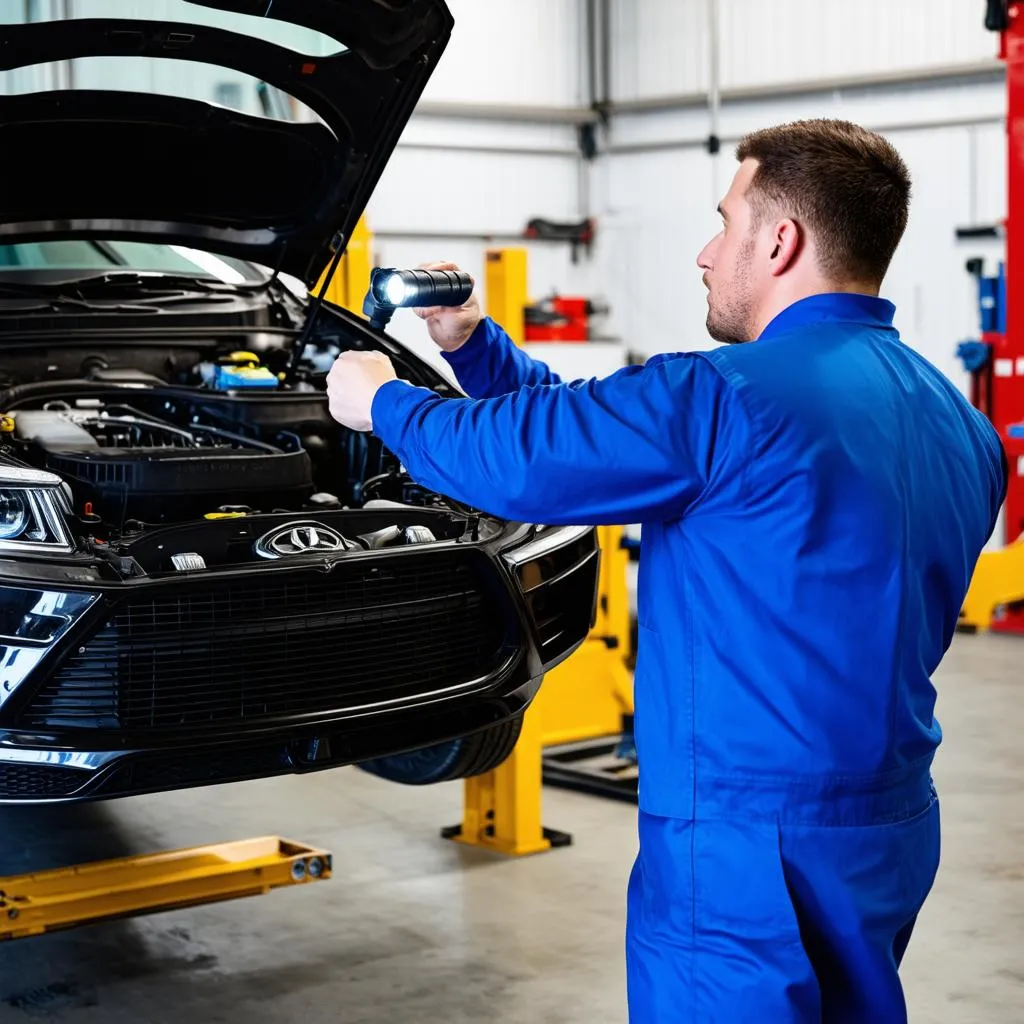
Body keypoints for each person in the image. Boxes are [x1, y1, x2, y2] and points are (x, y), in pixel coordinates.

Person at [325, 119, 1008, 1022]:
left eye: (724, 222)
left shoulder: (727, 396)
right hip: (887, 822)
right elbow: (579, 435)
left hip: (744, 845)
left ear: (778, 241)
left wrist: (384, 403)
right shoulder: (954, 419)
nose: (705, 251)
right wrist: (474, 343)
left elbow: (518, 459)